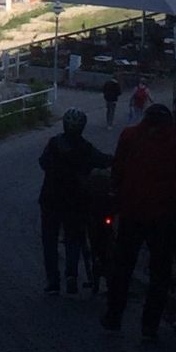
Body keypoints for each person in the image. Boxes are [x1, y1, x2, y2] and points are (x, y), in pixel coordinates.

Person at [102, 103, 176, 339]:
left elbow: (117, 169)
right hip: (164, 214)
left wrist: (116, 188)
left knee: (123, 267)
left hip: (132, 211)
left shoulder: (129, 135)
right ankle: (149, 325)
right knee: (160, 271)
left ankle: (114, 317)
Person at [38, 108, 111, 295]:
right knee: (73, 238)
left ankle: (53, 281)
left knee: (50, 241)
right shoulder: (86, 148)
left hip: (51, 199)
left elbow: (43, 162)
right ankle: (71, 275)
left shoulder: (54, 144)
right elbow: (103, 160)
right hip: (76, 200)